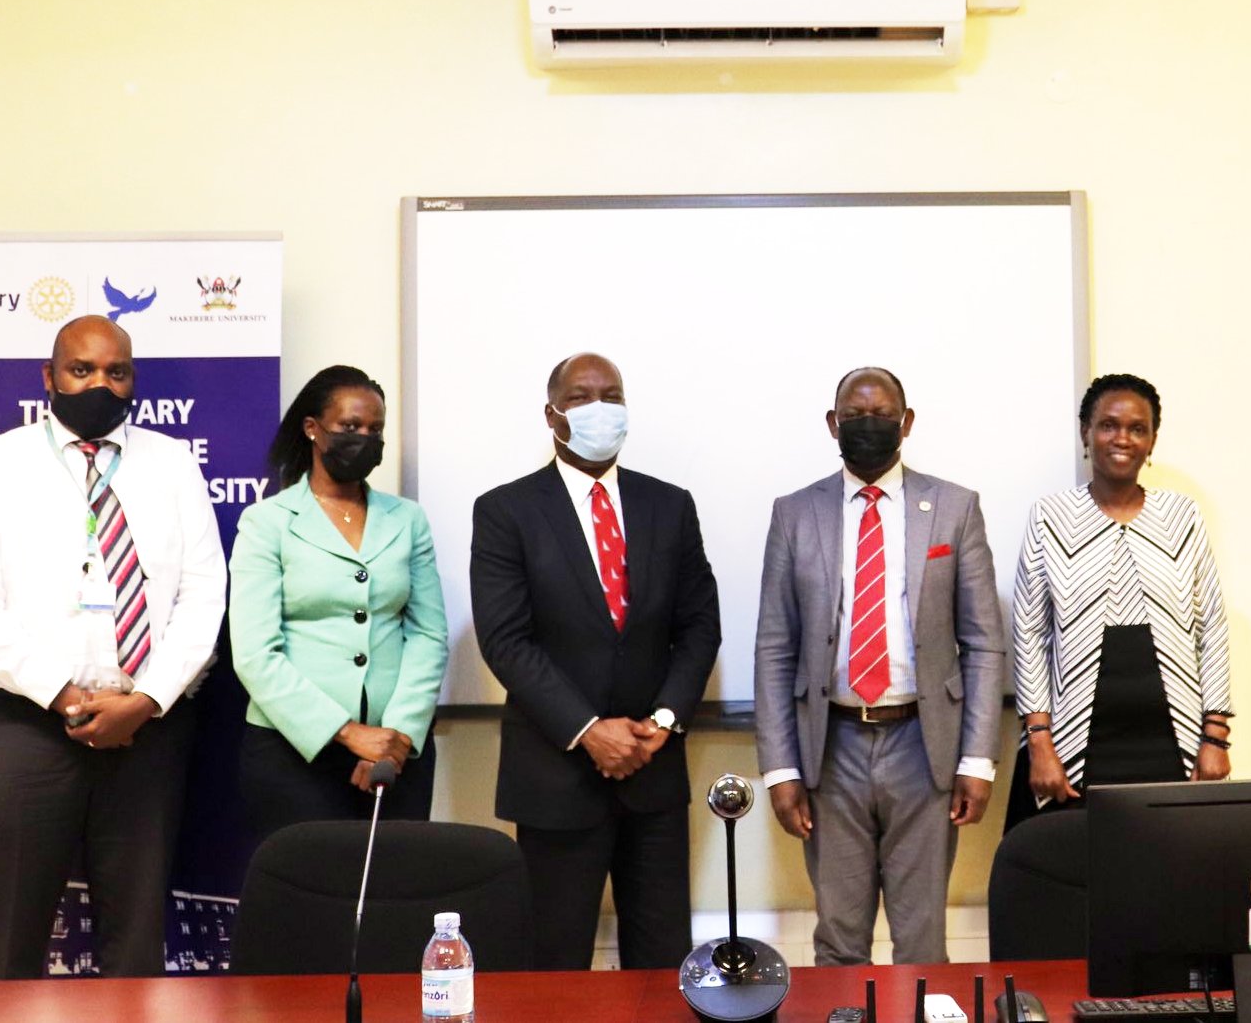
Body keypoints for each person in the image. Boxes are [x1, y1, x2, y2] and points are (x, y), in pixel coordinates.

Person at [0, 315, 226, 978]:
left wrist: (148, 699)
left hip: (147, 732)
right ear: (49, 377)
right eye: (82, 369)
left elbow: (204, 595)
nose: (100, 382)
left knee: (136, 941)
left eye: (116, 371)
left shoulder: (173, 464)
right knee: (12, 936)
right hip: (28, 728)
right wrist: (64, 694)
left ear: (133, 381)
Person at [470, 352, 721, 970]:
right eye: (581, 397)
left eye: (611, 395)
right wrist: (588, 731)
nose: (599, 408)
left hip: (653, 774)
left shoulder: (670, 505)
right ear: (552, 414)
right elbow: (506, 641)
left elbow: (699, 626)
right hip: (555, 776)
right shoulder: (506, 510)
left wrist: (662, 724)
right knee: (553, 963)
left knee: (664, 965)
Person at [753, 367, 1007, 965]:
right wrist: (780, 770)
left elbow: (983, 641)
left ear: (906, 423)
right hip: (830, 746)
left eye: (883, 415)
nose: (869, 425)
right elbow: (773, 646)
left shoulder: (953, 508)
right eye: (855, 415)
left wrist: (977, 759)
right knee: (839, 939)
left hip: (925, 744)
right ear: (833, 424)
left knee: (922, 940)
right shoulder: (793, 513)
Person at [228, 365, 448, 838]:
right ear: (313, 428)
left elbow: (429, 635)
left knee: (395, 897)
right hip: (294, 752)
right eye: (350, 427)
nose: (364, 438)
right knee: (308, 902)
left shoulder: (407, 519)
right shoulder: (267, 521)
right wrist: (350, 735)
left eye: (375, 429)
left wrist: (397, 739)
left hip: (397, 754)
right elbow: (253, 653)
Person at [1007, 373, 1234, 829]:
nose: (1122, 438)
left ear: (1151, 441)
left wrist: (1217, 737)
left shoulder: (1181, 514)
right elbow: (1029, 635)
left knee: (1170, 879)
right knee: (1078, 881)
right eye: (1108, 425)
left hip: (1174, 741)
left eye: (1137, 428)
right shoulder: (1050, 517)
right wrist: (1039, 742)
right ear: (1085, 433)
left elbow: (1211, 625)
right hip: (1074, 745)